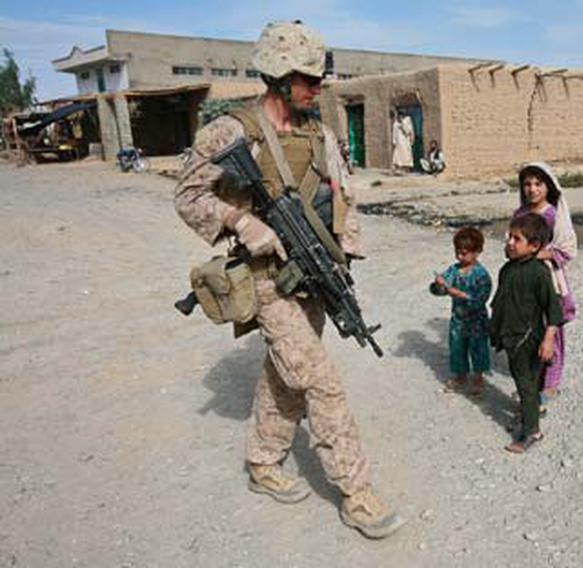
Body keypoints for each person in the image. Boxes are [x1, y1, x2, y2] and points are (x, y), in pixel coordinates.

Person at [174, 20, 404, 539]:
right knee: (320, 381)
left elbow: (343, 196)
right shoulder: (231, 133)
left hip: (315, 277)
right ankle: (357, 493)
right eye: (308, 78)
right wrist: (241, 221)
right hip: (267, 282)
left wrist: (345, 262)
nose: (318, 86)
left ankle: (262, 462)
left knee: (286, 376)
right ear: (278, 76)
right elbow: (187, 195)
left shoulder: (318, 133)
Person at [490, 214, 564, 454]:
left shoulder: (539, 272)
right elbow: (500, 303)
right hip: (511, 338)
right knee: (525, 381)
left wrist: (549, 340)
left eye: (517, 239)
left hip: (528, 340)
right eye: (509, 237)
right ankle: (531, 407)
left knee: (526, 383)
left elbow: (553, 309)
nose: (510, 242)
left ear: (534, 246)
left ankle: (532, 430)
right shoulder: (507, 270)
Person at [512, 162, 577, 407]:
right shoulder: (520, 214)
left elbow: (566, 248)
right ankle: (532, 381)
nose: (532, 189)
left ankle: (550, 384)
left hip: (548, 280)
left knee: (552, 329)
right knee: (531, 329)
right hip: (524, 278)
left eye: (538, 184)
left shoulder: (553, 215)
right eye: (527, 184)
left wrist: (537, 255)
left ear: (548, 187)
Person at [430, 227, 492, 397]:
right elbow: (440, 290)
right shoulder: (453, 270)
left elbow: (481, 299)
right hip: (458, 319)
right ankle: (461, 375)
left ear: (477, 252)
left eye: (464, 253)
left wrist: (460, 294)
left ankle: (479, 377)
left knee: (478, 348)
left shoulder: (481, 275)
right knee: (457, 347)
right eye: (457, 252)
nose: (459, 256)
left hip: (477, 320)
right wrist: (439, 285)